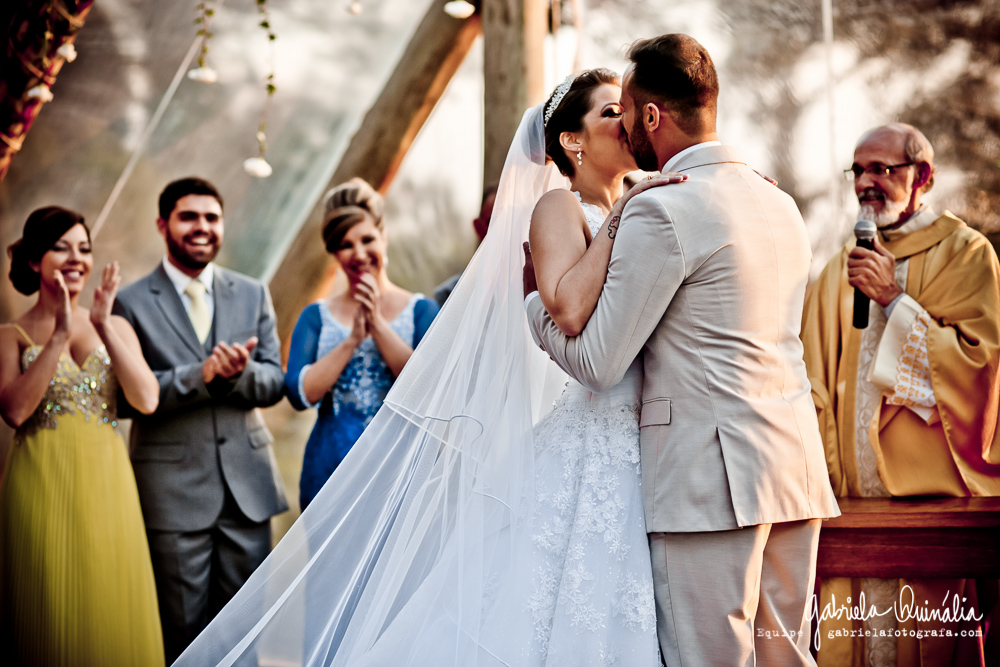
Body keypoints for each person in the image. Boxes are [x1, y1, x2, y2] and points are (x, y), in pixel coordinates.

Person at [172, 68, 683, 666]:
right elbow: (566, 314)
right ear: (571, 141)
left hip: (639, 434)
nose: (627, 122)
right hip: (379, 444)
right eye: (609, 113)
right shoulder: (558, 208)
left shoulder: (636, 205)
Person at [524, 34, 840, 666]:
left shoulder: (663, 209)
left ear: (650, 116)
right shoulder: (777, 200)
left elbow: (599, 364)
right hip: (793, 469)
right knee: (786, 658)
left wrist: (534, 306)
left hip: (709, 482)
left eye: (626, 107)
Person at [802, 123, 1000, 667]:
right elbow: (809, 383)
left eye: (882, 169)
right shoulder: (837, 270)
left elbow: (979, 368)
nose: (867, 182)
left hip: (928, 514)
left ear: (923, 177)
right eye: (858, 170)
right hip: (850, 514)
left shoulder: (967, 255)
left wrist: (893, 298)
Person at [112, 177, 289, 663]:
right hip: (172, 496)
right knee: (183, 636)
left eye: (212, 217)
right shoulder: (128, 302)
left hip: (247, 494)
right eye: (189, 217)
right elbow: (125, 399)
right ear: (162, 224)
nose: (202, 227)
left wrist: (236, 374)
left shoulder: (252, 293)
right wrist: (201, 375)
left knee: (246, 633)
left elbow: (275, 383)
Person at [0, 207, 164, 665]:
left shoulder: (116, 326)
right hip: (38, 484)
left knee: (109, 604)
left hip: (107, 483)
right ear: (35, 261)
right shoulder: (9, 336)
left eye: (84, 249)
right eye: (61, 247)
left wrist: (105, 324)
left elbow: (147, 399)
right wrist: (55, 338)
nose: (76, 258)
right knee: (46, 609)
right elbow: (14, 411)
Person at [285, 178, 439, 510]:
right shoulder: (316, 316)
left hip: (399, 470)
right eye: (345, 244)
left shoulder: (422, 311)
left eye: (367, 239)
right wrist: (352, 340)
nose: (358, 253)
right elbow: (300, 394)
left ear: (384, 237)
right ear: (333, 252)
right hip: (329, 469)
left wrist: (378, 325)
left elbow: (428, 387)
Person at [433, 184, 497, 307]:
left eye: (509, 222)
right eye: (493, 221)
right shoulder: (449, 295)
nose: (502, 230)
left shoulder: (536, 290)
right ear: (478, 228)